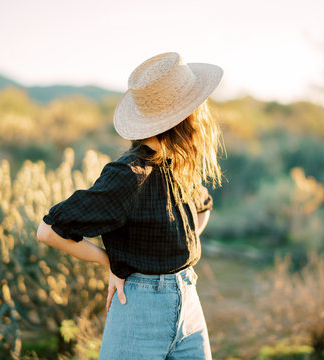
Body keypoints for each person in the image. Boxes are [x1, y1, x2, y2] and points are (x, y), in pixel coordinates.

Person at [36, 51, 224, 360]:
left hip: (189, 300)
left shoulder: (178, 164)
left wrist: (182, 247)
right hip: (140, 308)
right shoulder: (128, 175)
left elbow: (202, 207)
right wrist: (109, 262)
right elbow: (49, 230)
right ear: (186, 118)